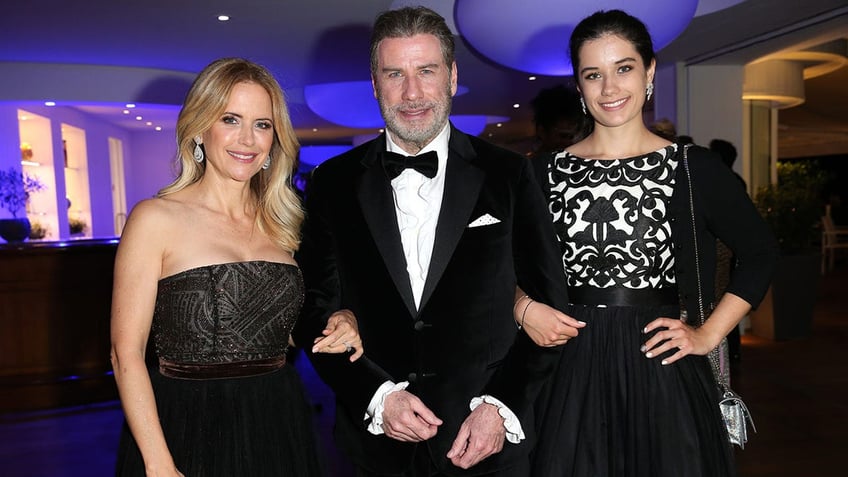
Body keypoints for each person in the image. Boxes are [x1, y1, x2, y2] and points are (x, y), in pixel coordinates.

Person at [292, 6, 581, 477]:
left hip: (486, 442)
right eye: (395, 74)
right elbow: (314, 309)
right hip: (376, 447)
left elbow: (551, 308)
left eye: (426, 71)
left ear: (451, 76)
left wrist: (499, 408)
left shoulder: (509, 174)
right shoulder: (331, 182)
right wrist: (377, 396)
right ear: (374, 83)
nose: (412, 93)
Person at [521, 10, 778, 476]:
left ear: (650, 71)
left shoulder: (692, 167)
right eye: (593, 75)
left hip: (662, 363)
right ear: (579, 87)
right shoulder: (542, 174)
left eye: (624, 68)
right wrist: (523, 308)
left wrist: (708, 333)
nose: (609, 88)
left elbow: (760, 253)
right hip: (570, 369)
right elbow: (501, 266)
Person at [110, 57, 363, 477]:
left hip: (278, 419)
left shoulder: (286, 223)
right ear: (200, 128)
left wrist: (341, 318)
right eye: (231, 119)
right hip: (186, 424)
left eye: (262, 124)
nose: (248, 139)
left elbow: (291, 328)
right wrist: (158, 463)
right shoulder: (154, 218)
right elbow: (125, 355)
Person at [528, 84, 587, 159]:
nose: (568, 142)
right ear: (542, 131)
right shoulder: (530, 167)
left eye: (571, 137)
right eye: (563, 136)